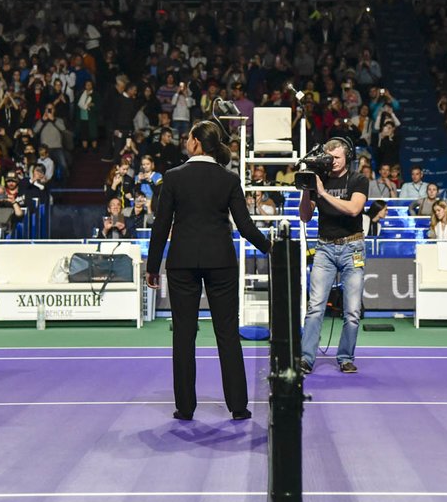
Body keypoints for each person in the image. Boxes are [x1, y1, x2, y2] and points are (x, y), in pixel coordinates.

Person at [146, 120, 270, 422]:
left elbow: (161, 226)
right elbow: (245, 226)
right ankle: (238, 405)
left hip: (182, 262)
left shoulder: (173, 177)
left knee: (184, 335)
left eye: (189, 137)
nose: (186, 141)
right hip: (221, 261)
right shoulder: (229, 178)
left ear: (197, 143)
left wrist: (152, 267)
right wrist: (272, 248)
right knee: (227, 333)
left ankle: (185, 407)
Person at [299, 136, 369, 375]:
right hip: (324, 248)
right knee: (315, 307)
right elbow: (305, 216)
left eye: (337, 157)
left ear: (347, 157)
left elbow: (354, 209)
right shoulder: (320, 180)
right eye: (330, 158)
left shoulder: (358, 179)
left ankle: (346, 357)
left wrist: (323, 193)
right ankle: (306, 358)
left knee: (352, 311)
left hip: (353, 247)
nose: (333, 162)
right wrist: (308, 190)